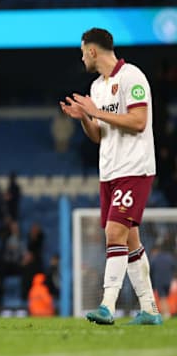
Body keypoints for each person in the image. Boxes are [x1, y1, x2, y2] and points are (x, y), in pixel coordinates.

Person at [60, 27, 161, 325]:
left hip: (134, 168)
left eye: (82, 52)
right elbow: (99, 135)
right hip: (110, 171)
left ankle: (107, 305)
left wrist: (98, 113)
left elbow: (139, 121)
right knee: (129, 241)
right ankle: (150, 310)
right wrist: (85, 118)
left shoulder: (131, 77)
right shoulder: (97, 88)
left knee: (113, 233)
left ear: (92, 51)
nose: (81, 58)